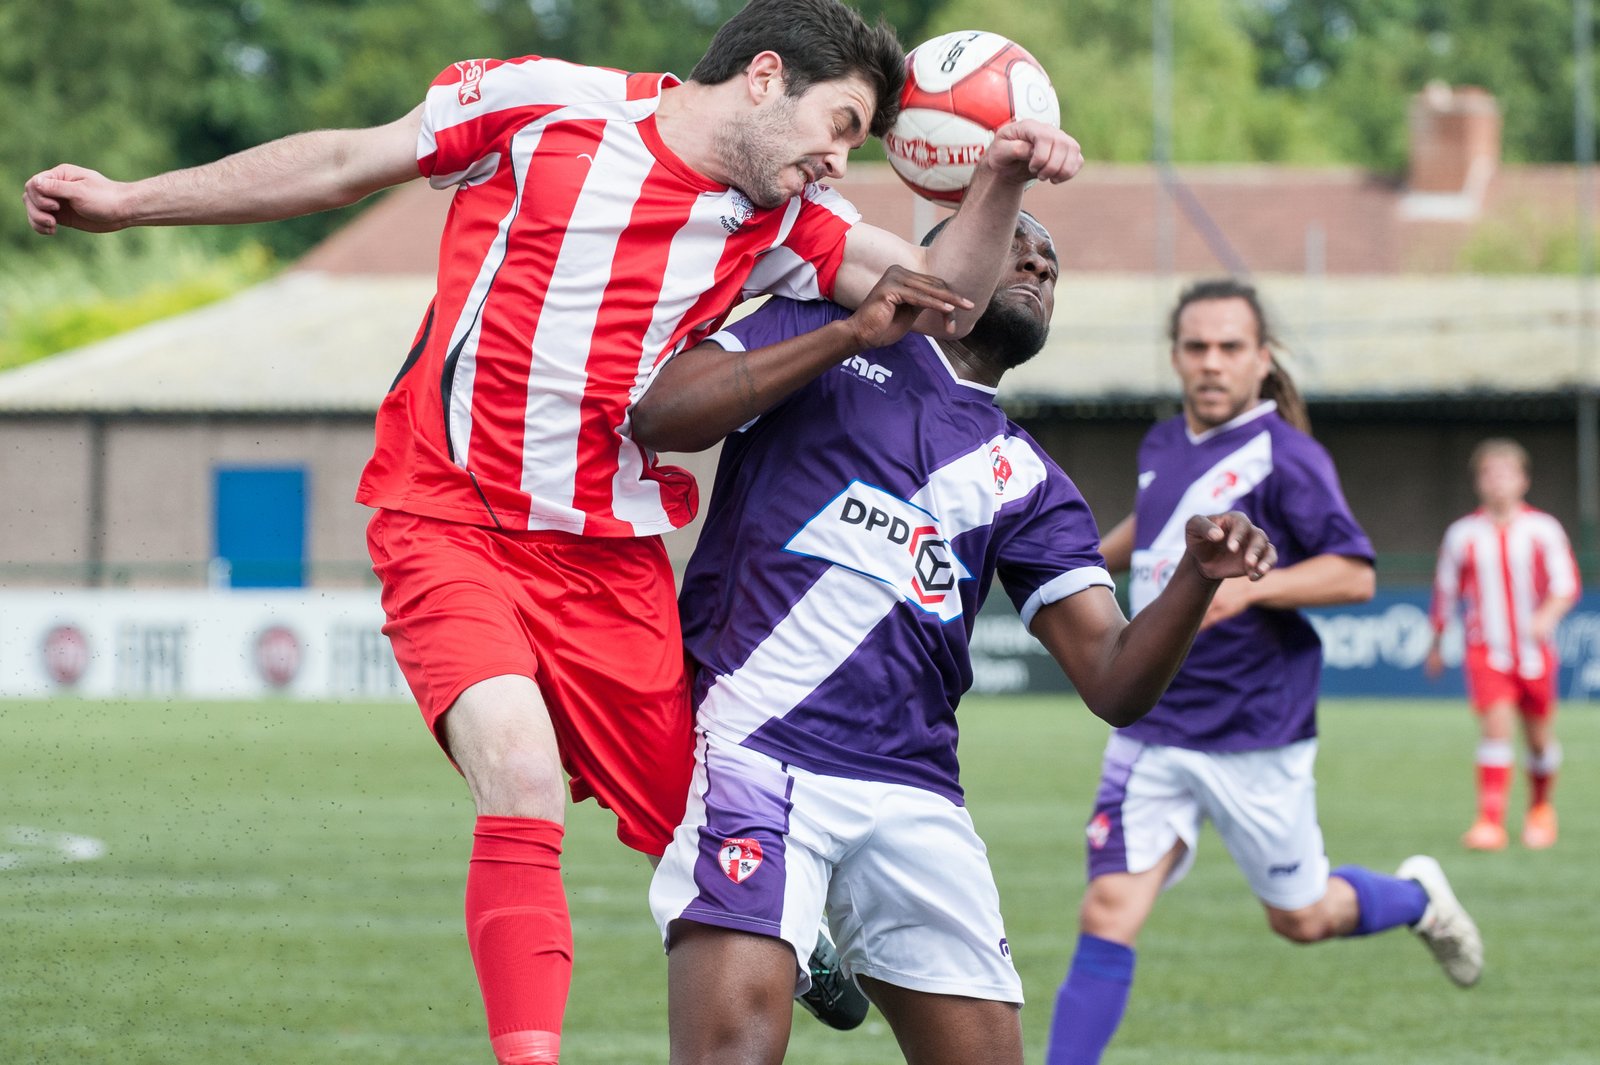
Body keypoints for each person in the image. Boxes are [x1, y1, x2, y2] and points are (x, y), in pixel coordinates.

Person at [22, 2, 1083, 1061]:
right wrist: (129, 203)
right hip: (446, 516)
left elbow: (948, 303)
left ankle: (796, 943)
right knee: (521, 775)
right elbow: (346, 161)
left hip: (606, 560)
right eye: (840, 126)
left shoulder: (787, 223)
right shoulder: (544, 104)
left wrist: (1001, 176)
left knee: (703, 821)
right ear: (765, 77)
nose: (840, 162)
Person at [628, 215, 1276, 1065]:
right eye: (1018, 243)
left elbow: (1115, 679)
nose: (1039, 262)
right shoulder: (820, 327)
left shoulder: (1030, 478)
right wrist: (851, 331)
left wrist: (1196, 575)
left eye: (1052, 263)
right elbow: (660, 414)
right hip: (758, 751)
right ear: (941, 259)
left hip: (916, 790)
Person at [1043, 278, 1484, 1065]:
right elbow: (1155, 523)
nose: (1211, 362)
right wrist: (1076, 560)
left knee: (1302, 918)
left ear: (1261, 358)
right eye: (1196, 346)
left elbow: (1354, 574)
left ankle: (1416, 896)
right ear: (1175, 356)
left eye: (1230, 347)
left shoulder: (1288, 456)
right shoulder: (1162, 442)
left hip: (1254, 730)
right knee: (1108, 908)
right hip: (1153, 723)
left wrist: (1248, 592)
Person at [1425, 438, 1581, 851]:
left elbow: (1566, 584)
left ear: (1524, 480)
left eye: (1506, 473)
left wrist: (1545, 616)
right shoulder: (1462, 535)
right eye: (1489, 473)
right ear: (1478, 482)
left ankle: (1540, 809)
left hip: (1534, 654)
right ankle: (1489, 822)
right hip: (1487, 650)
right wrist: (1437, 641)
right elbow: (1445, 592)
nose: (1497, 481)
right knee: (1495, 729)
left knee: (1538, 739)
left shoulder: (1543, 529)